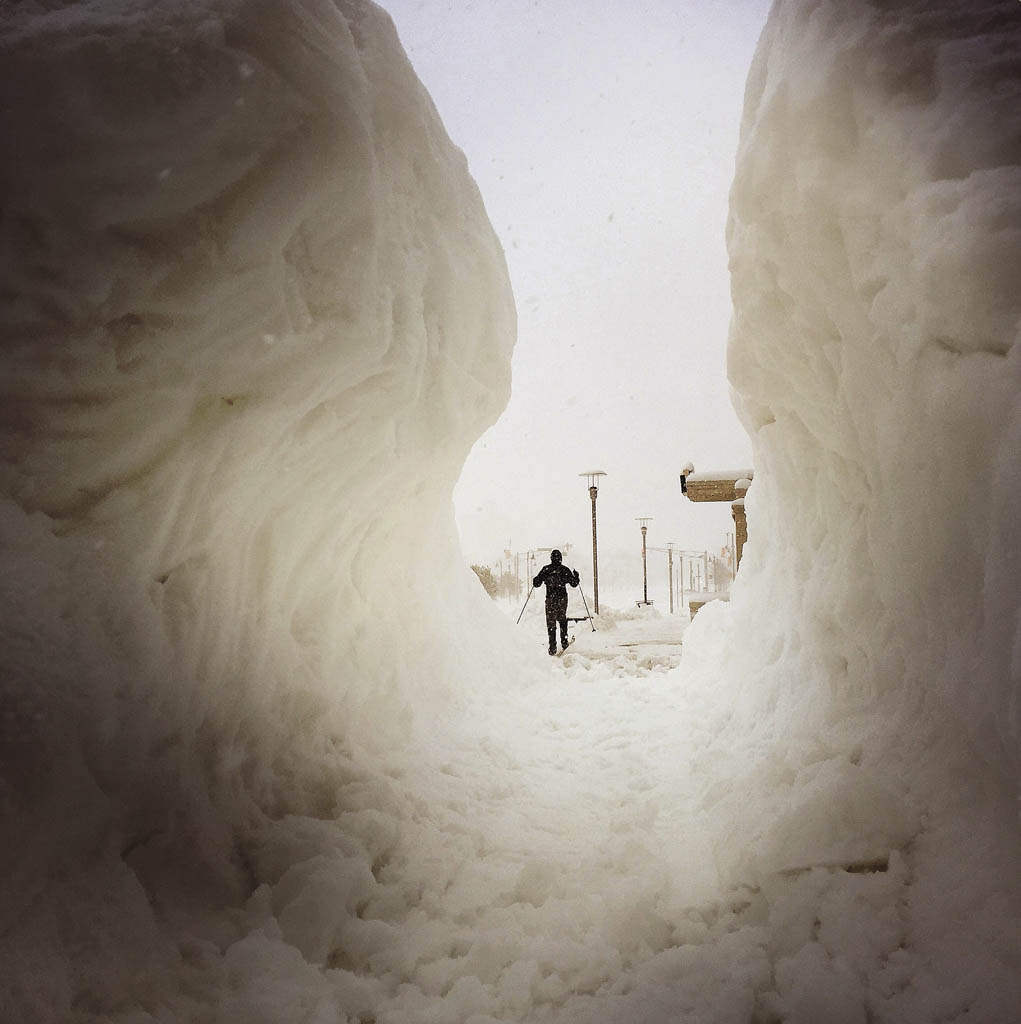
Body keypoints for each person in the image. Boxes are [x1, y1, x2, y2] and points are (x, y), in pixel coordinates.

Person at [532, 549, 580, 655]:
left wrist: (536, 579)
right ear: (561, 559)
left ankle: (552, 646)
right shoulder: (565, 570)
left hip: (550, 600)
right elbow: (574, 583)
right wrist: (576, 576)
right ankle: (564, 642)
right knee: (562, 619)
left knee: (551, 623)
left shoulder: (546, 570)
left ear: (551, 558)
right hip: (562, 599)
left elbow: (536, 583)